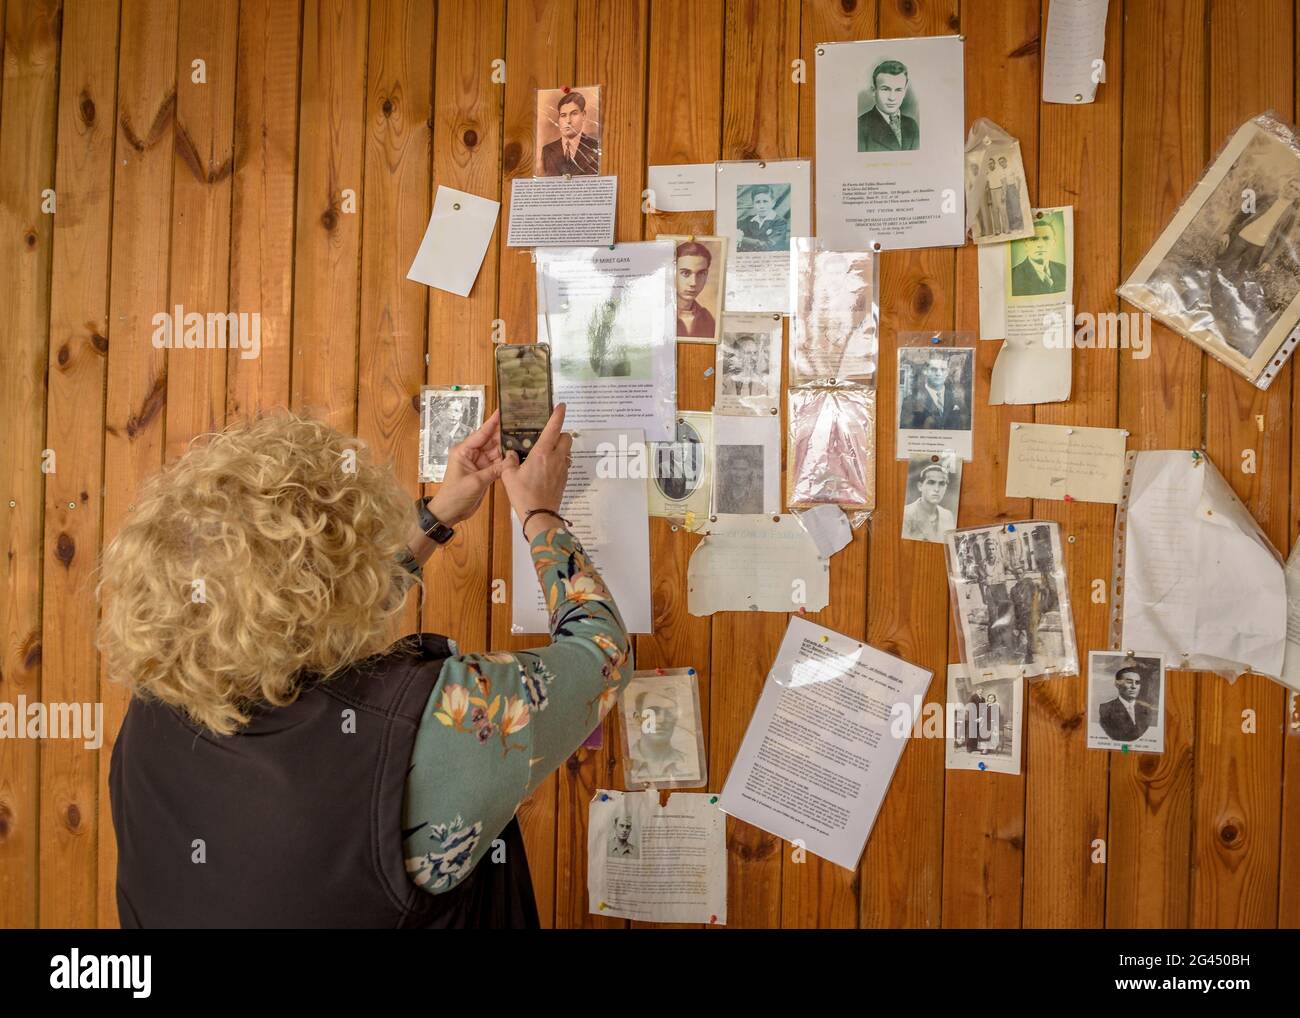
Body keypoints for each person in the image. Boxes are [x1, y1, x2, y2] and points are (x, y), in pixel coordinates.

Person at [100, 403, 634, 928]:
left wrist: (438, 516)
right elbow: (601, 654)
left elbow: (293, 627)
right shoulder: (440, 724)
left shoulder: (158, 696)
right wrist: (540, 511)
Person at [1211, 176, 1300, 354]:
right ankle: (1205, 295)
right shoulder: (1267, 196)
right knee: (1220, 266)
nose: (1292, 190)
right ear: (1286, 184)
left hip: (1259, 249)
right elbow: (1242, 213)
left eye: (1297, 190)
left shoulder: (1291, 214)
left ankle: (1218, 311)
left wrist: (1268, 261)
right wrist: (1227, 232)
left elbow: (1281, 243)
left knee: (1240, 278)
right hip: (1241, 237)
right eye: (1291, 185)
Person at [626, 687, 693, 784]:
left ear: (675, 720)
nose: (662, 720)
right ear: (637, 719)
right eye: (654, 712)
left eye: (669, 713)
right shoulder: (624, 763)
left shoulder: (690, 764)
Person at [857, 58, 919, 152]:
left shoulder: (912, 125)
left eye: (898, 90)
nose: (892, 98)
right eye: (885, 89)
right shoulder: (860, 127)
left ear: (905, 91)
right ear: (874, 91)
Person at [900, 352, 970, 431]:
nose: (938, 373)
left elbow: (964, 426)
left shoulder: (957, 399)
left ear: (947, 372)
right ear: (926, 371)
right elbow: (905, 432)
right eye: (934, 369)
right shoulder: (910, 401)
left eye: (943, 369)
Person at [540, 90, 600, 176]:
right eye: (563, 115)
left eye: (574, 114)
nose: (568, 121)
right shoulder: (547, 150)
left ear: (583, 115)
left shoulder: (595, 147)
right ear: (559, 119)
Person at [1011, 218, 1068, 296]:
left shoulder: (1063, 270)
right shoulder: (1013, 275)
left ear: (1054, 242)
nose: (1040, 244)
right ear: (1026, 243)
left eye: (1046, 238)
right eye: (1034, 239)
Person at [902, 462, 955, 542]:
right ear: (920, 486)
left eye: (942, 484)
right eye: (931, 483)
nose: (937, 489)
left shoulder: (948, 516)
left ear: (946, 488)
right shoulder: (906, 514)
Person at [1098, 665, 1153, 742]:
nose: (1134, 686)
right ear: (1117, 685)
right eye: (1129, 682)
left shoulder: (1146, 709)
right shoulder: (1106, 709)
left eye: (1137, 683)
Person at [675, 240, 716, 339]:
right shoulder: (656, 314)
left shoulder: (707, 319)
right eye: (685, 273)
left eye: (701, 273)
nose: (694, 283)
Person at [736, 185, 790, 252]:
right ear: (753, 204)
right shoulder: (748, 220)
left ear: (773, 203)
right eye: (758, 202)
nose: (762, 206)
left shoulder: (780, 222)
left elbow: (769, 246)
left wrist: (741, 239)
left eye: (765, 201)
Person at [999, 154, 1024, 233]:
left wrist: (1018, 190)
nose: (1001, 164)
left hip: (1013, 188)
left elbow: (1019, 179)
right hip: (1006, 190)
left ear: (1005, 161)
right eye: (1000, 163)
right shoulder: (1001, 171)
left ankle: (1020, 227)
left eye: (1002, 162)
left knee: (1016, 208)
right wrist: (1003, 194)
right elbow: (1003, 183)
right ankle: (1013, 228)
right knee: (1009, 209)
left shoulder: (1011, 168)